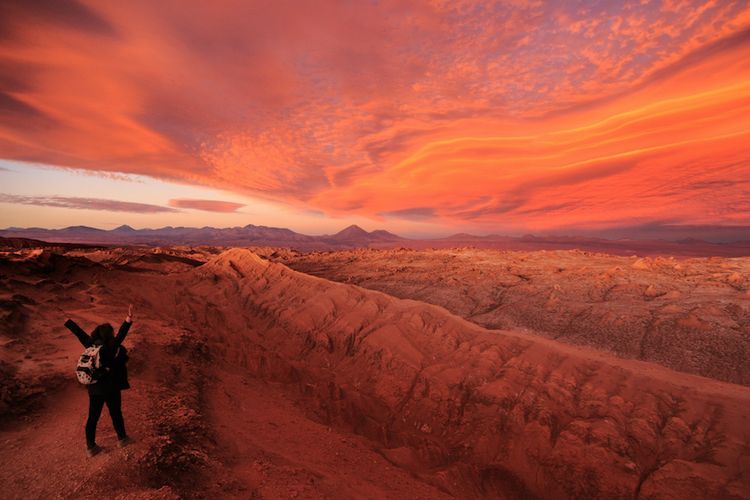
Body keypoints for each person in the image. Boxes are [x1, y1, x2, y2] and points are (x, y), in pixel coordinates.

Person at [64, 304, 134, 456]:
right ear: (109, 335)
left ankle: (91, 447)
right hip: (111, 388)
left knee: (93, 417)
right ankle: (122, 439)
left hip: (94, 388)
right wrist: (128, 319)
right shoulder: (111, 346)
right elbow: (122, 334)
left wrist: (68, 321)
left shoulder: (90, 345)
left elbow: (80, 334)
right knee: (115, 413)